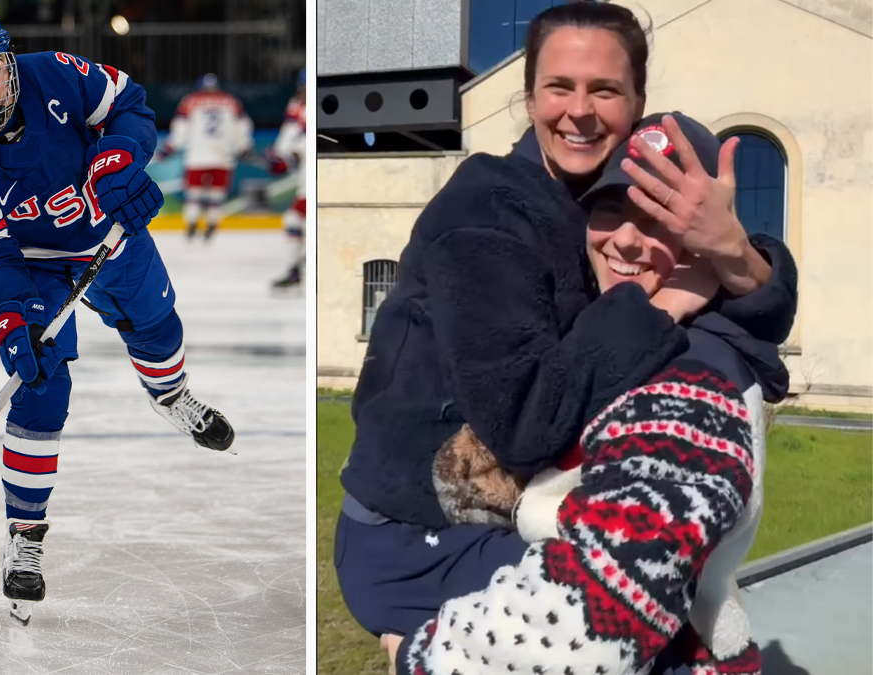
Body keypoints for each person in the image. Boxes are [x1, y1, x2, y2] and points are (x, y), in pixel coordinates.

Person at [334, 2, 796, 672]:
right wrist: (671, 298)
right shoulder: (488, 212)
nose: (579, 111)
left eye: (605, 90)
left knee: (660, 602)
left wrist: (736, 257)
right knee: (634, 628)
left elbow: (757, 335)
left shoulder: (601, 205)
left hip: (497, 516)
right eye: (559, 86)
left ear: (636, 103)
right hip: (414, 537)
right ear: (528, 96)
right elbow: (526, 418)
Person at [0, 9, 236, 626]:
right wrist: (12, 319)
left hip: (105, 234)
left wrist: (118, 162)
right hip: (29, 268)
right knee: (40, 389)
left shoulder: (57, 76)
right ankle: (26, 537)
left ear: (9, 65)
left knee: (158, 326)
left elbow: (131, 107)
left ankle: (170, 396)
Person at [155, 73, 254, 240]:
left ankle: (192, 221)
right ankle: (213, 221)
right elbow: (243, 125)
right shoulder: (231, 101)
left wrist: (170, 146)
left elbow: (180, 128)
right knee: (217, 193)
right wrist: (244, 146)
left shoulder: (190, 100)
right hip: (223, 155)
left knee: (194, 193)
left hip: (197, 155)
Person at [268, 68, 306, 290]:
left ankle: (302, 272)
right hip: (308, 181)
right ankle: (296, 271)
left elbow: (298, 146)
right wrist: (281, 156)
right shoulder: (298, 107)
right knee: (294, 221)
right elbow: (290, 144)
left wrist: (286, 157)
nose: (302, 93)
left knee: (299, 221)